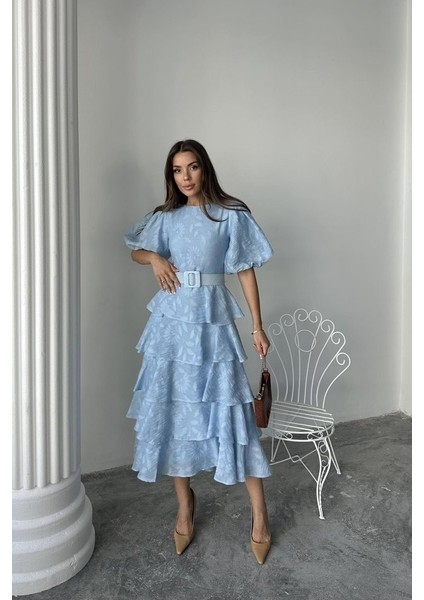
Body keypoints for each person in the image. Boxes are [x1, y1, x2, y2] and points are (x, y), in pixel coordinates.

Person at [124, 139, 273, 564]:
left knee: (232, 413)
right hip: (172, 324)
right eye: (177, 170)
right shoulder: (166, 217)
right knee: (176, 412)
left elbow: (244, 270)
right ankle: (185, 505)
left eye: (192, 167)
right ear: (170, 175)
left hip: (212, 323)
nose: (185, 177)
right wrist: (155, 259)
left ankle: (260, 515)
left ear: (204, 168)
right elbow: (135, 250)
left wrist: (257, 326)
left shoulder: (230, 214)